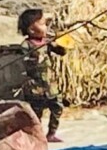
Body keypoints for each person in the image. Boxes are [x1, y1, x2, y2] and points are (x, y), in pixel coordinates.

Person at [16, 7, 68, 140]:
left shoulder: (47, 43)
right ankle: (36, 134)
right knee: (36, 112)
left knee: (57, 106)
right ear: (31, 30)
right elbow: (24, 62)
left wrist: (56, 42)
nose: (46, 28)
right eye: (43, 24)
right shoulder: (26, 45)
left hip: (50, 84)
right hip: (35, 86)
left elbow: (62, 52)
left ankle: (52, 133)